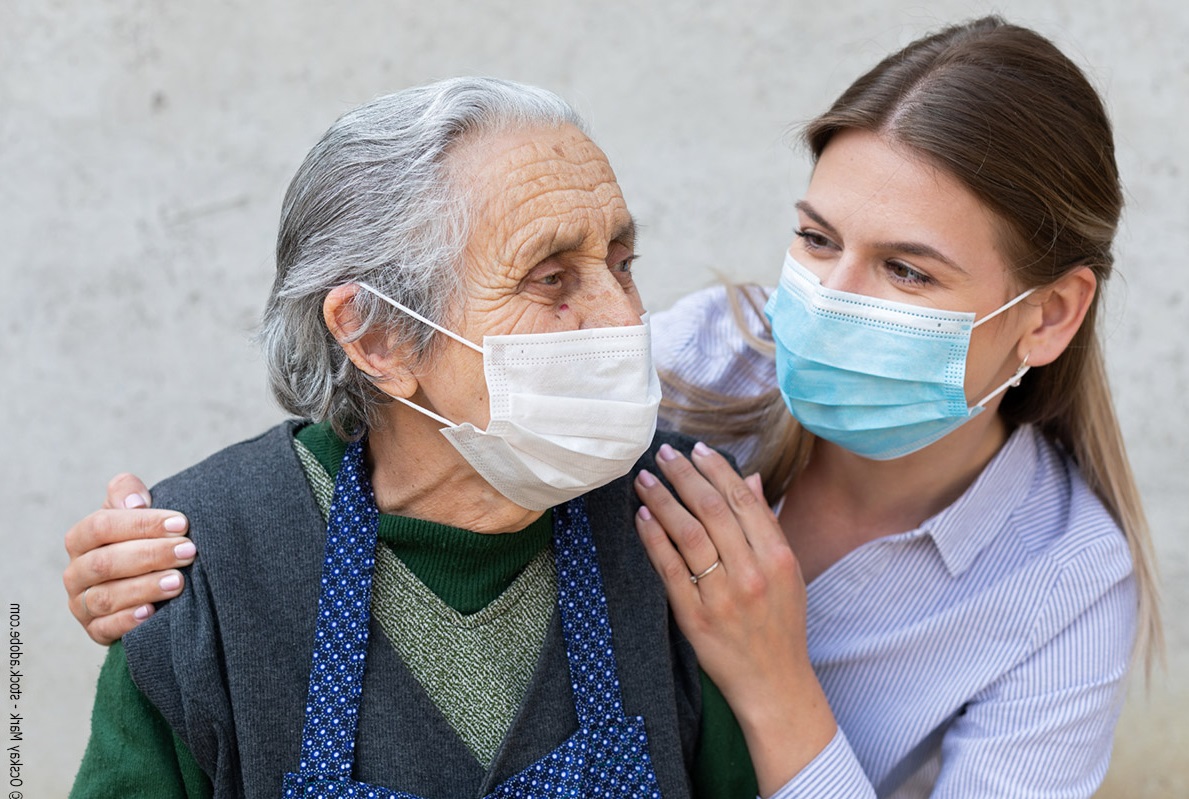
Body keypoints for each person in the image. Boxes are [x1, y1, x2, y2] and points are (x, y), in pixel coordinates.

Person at [64, 16, 1159, 798]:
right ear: (380, 336)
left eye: (909, 272)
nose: (615, 326)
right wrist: (156, 568)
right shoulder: (694, 363)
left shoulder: (1065, 585)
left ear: (1046, 316)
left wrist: (776, 684)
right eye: (817, 241)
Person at [68, 76, 760, 798]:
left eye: (621, 265)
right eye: (551, 278)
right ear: (379, 337)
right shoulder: (203, 569)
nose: (622, 318)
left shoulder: (681, 522)